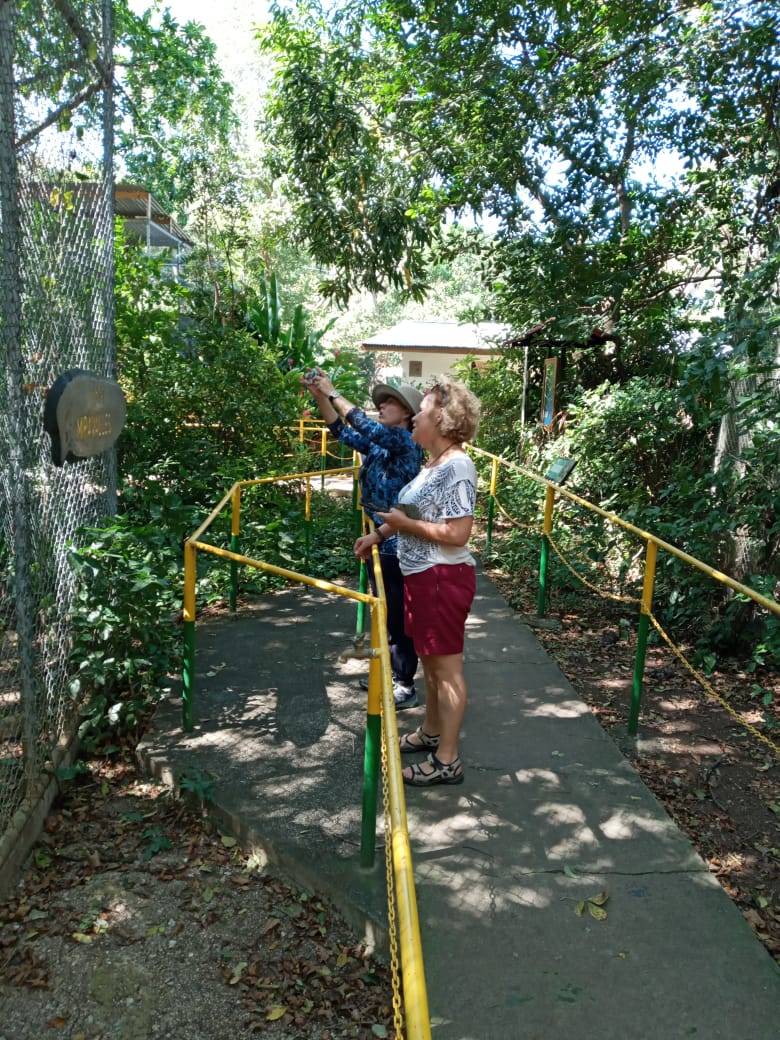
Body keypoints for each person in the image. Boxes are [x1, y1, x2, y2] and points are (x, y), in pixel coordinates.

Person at [354, 377, 481, 787]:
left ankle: (448, 759)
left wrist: (405, 525)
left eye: (422, 410)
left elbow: (458, 533)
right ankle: (431, 730)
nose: (414, 418)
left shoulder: (457, 465)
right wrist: (379, 535)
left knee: (447, 669)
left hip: (442, 578)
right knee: (430, 663)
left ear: (441, 418)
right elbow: (410, 511)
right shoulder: (434, 464)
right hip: (423, 577)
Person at [306, 370, 424, 708]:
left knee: (397, 615)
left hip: (396, 542)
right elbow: (342, 431)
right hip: (380, 538)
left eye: (390, 403)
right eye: (381, 402)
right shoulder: (383, 444)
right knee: (384, 612)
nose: (382, 406)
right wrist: (320, 397)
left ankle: (404, 684)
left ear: (407, 413)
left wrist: (333, 392)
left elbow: (362, 424)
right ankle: (387, 674)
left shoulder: (404, 442)